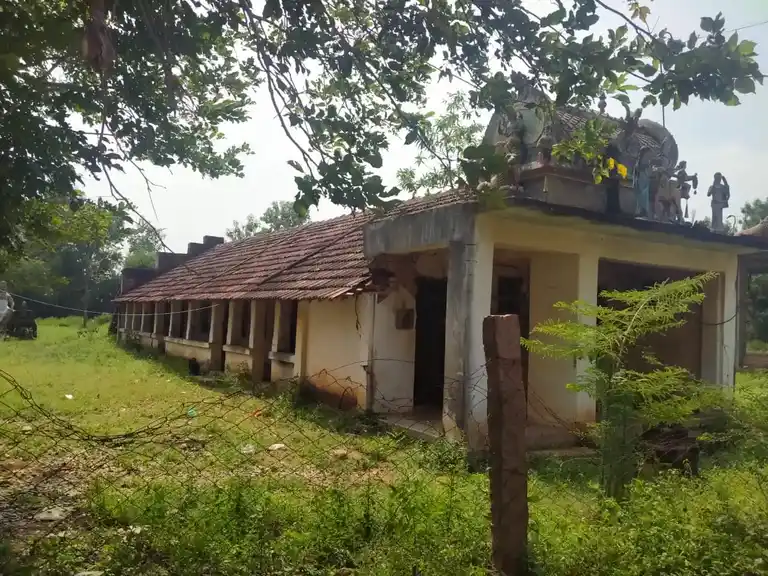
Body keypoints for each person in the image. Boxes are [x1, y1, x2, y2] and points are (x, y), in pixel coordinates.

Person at [632, 147, 653, 217]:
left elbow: (649, 172)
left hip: (645, 181)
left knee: (644, 197)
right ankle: (640, 211)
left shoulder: (648, 161)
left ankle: (643, 211)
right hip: (640, 180)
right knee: (641, 197)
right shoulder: (641, 161)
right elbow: (639, 169)